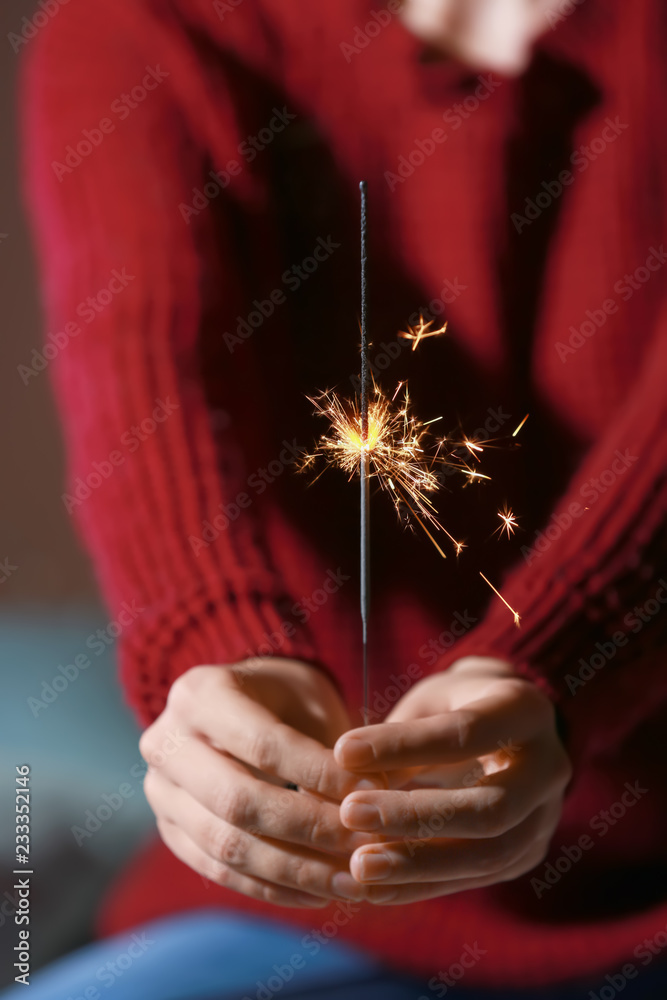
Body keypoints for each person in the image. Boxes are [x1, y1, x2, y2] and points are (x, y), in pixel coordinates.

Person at [16, 0, 667, 996]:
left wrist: (551, 662)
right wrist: (214, 652)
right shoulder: (146, 26)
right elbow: (146, 368)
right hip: (307, 914)